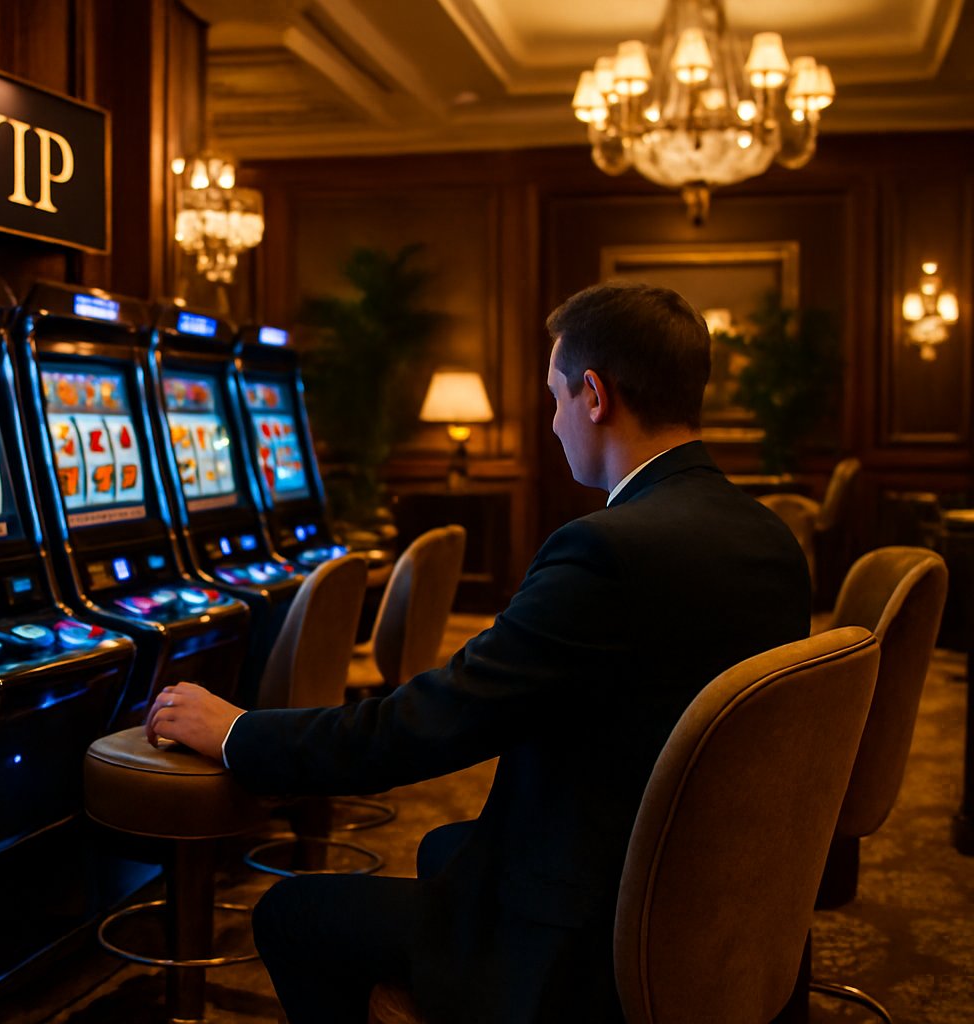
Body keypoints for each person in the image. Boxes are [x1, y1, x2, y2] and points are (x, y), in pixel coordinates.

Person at [145, 281, 812, 1023]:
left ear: (594, 394)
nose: (553, 423)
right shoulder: (770, 537)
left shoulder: (606, 551)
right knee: (445, 848)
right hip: (722, 902)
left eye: (554, 396)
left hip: (594, 945)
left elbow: (427, 723)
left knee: (294, 912)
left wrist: (238, 731)